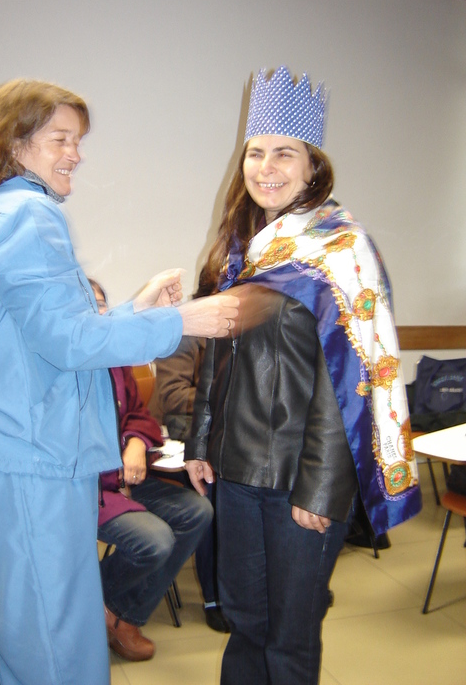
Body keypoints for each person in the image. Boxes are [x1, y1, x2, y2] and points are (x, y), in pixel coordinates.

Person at [0, 79, 239, 685]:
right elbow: (69, 342)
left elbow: (44, 340)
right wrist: (184, 320)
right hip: (28, 464)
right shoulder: (27, 216)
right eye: (60, 139)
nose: (75, 154)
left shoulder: (4, 214)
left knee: (29, 636)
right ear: (15, 143)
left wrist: (135, 309)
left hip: (21, 458)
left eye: (76, 140)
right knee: (54, 646)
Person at [185, 66, 422, 685]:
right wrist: (200, 443)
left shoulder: (342, 251)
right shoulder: (240, 246)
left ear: (313, 165)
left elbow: (354, 381)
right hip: (236, 469)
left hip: (299, 477)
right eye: (255, 152)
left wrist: (322, 489)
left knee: (289, 636)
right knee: (243, 621)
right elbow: (216, 352)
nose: (266, 167)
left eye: (284, 153)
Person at [89, 280, 213, 661]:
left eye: (102, 304)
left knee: (198, 512)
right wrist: (116, 470)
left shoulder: (115, 361)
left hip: (126, 479)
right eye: (86, 305)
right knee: (155, 540)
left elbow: (139, 415)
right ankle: (91, 607)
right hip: (88, 490)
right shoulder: (61, 368)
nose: (98, 312)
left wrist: (136, 444)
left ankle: (119, 613)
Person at [149, 329, 229, 633]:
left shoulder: (241, 332)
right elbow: (173, 395)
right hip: (177, 437)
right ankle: (214, 597)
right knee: (212, 488)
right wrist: (228, 391)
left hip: (219, 433)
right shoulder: (187, 334)